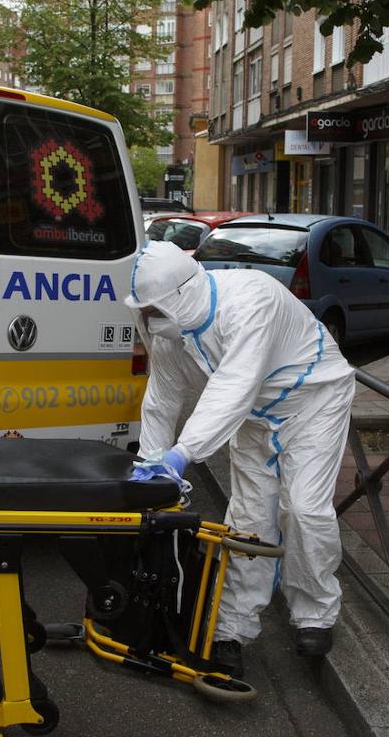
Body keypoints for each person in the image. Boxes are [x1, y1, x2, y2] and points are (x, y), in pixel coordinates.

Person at [125, 241, 355, 677]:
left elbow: (234, 385)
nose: (151, 320)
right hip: (255, 415)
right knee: (248, 518)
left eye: (155, 310)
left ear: (181, 296)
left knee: (303, 508)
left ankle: (315, 613)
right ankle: (231, 628)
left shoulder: (251, 300)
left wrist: (183, 454)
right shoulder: (173, 337)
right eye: (145, 312)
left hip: (315, 400)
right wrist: (151, 464)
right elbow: (161, 399)